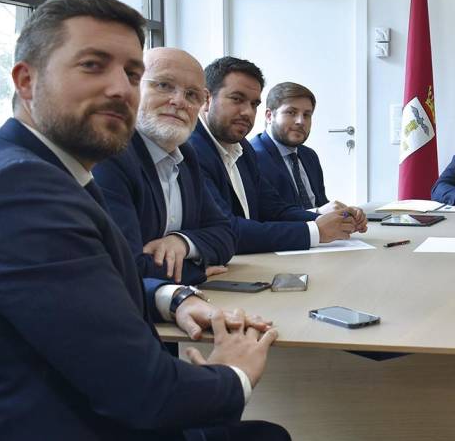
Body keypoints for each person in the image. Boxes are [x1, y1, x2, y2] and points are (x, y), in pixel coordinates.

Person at [0, 0, 288, 440]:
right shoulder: (21, 190)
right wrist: (233, 373)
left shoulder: (37, 170)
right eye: (92, 65)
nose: (121, 89)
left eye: (133, 73)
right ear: (26, 81)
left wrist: (169, 297)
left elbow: (90, 284)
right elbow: (146, 395)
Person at [190, 58, 366, 254]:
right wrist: (315, 231)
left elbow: (274, 210)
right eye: (237, 99)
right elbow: (227, 228)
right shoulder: (190, 150)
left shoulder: (243, 149)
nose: (248, 112)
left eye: (254, 103)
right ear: (206, 99)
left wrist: (331, 220)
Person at [93, 48, 236, 286]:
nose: (179, 101)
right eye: (163, 85)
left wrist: (182, 243)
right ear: (131, 88)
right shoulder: (110, 154)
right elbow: (125, 265)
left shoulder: (186, 156)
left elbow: (227, 234)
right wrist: (196, 270)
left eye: (192, 95)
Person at [250, 81, 359, 215]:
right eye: (291, 112)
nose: (301, 121)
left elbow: (322, 204)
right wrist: (318, 213)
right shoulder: (252, 157)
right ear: (269, 116)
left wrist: (344, 214)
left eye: (307, 115)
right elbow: (269, 216)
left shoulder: (309, 155)